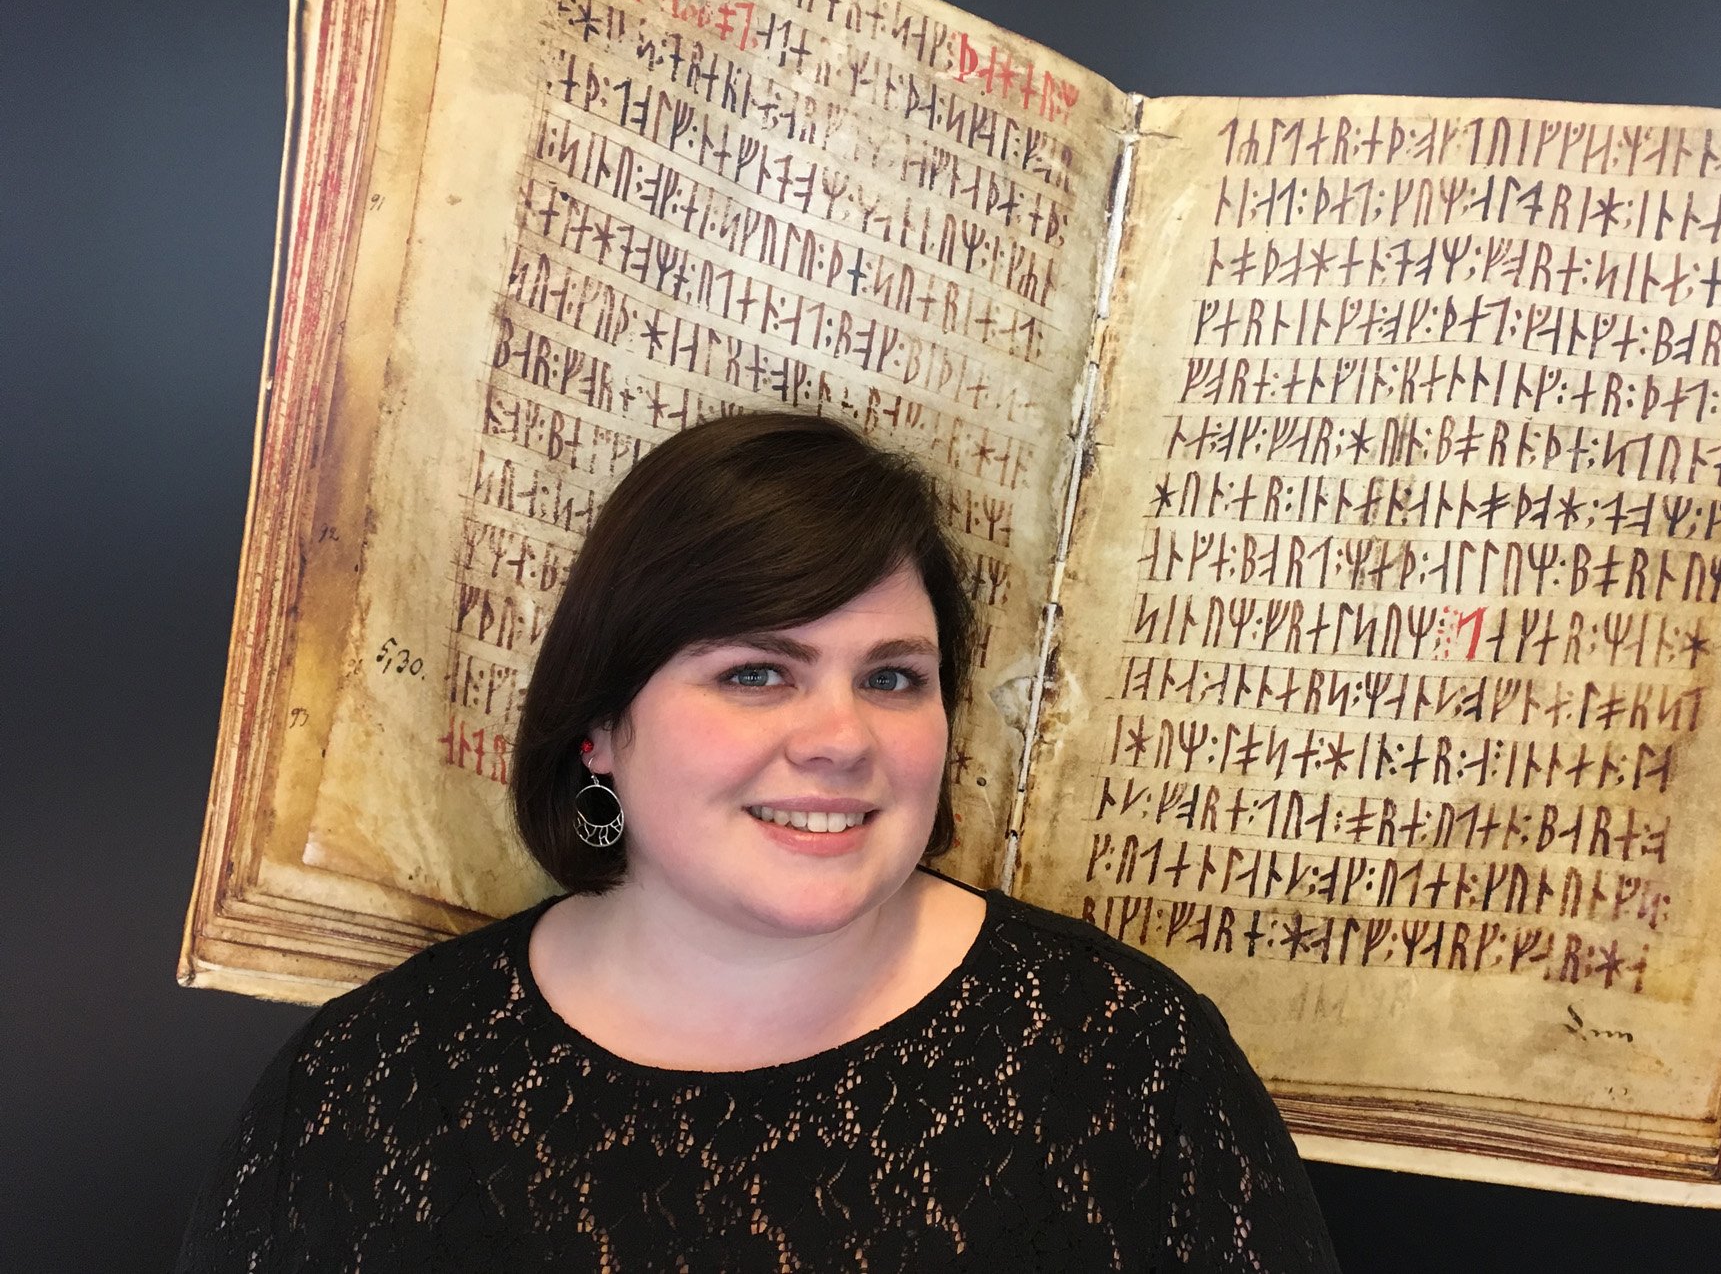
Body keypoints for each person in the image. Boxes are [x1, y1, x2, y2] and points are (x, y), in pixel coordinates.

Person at [177, 410, 1340, 1271]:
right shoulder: (372, 1088)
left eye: (892, 677)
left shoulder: (1127, 1063)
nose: (840, 738)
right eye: (753, 672)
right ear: (598, 728)